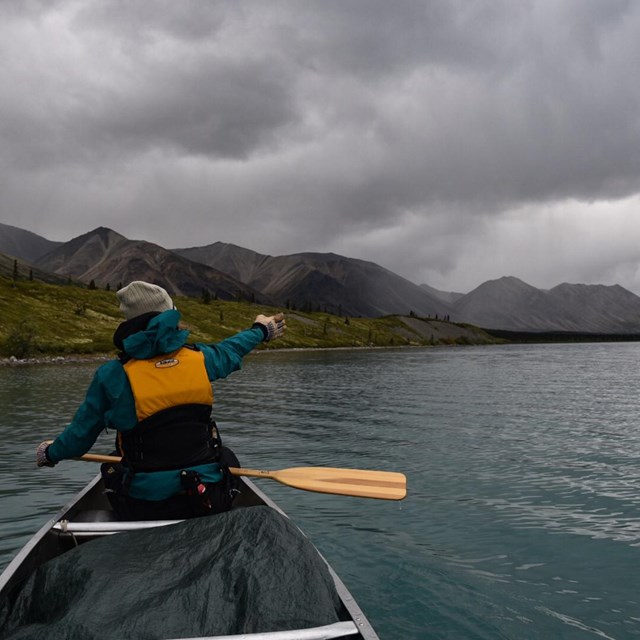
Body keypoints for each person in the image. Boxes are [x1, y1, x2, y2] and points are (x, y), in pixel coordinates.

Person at [35, 280, 286, 520]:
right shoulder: (201, 359)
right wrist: (261, 330)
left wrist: (50, 453)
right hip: (206, 498)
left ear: (130, 323)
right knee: (226, 456)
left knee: (113, 463)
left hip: (144, 506)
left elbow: (79, 438)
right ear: (170, 317)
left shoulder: (112, 375)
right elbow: (231, 349)